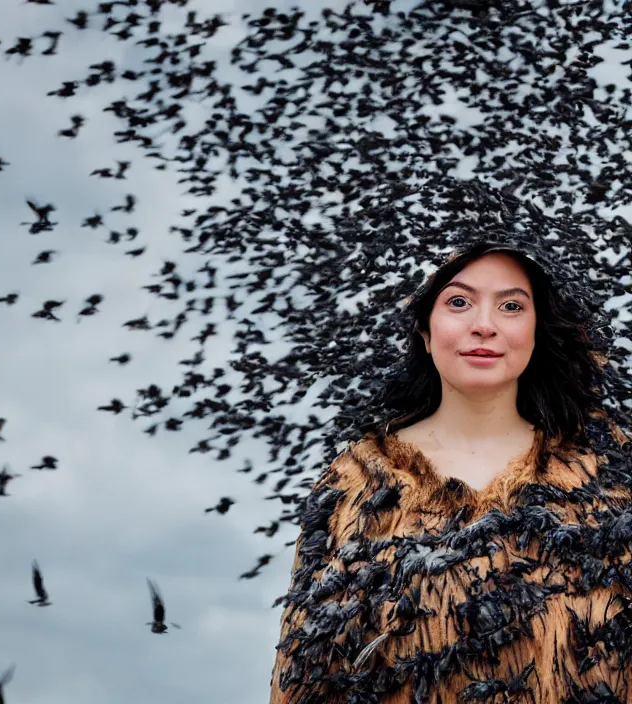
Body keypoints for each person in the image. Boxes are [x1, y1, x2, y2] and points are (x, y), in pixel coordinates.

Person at [269, 240, 632, 704]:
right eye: (459, 302)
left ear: (538, 330)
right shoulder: (355, 481)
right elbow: (304, 673)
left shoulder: (608, 477)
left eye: (511, 306)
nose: (484, 326)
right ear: (424, 329)